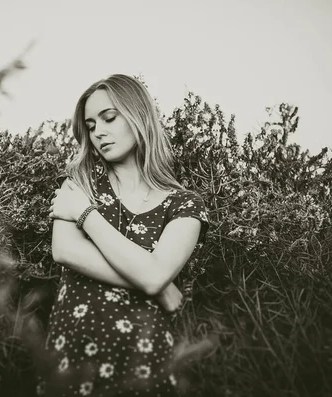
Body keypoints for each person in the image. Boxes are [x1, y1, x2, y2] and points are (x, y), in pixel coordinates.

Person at [41, 74, 209, 396]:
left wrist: (85, 214)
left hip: (144, 355)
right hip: (74, 347)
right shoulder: (81, 181)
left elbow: (155, 275)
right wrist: (160, 289)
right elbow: (64, 251)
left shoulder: (185, 204)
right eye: (90, 125)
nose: (98, 132)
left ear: (137, 116)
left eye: (109, 118)